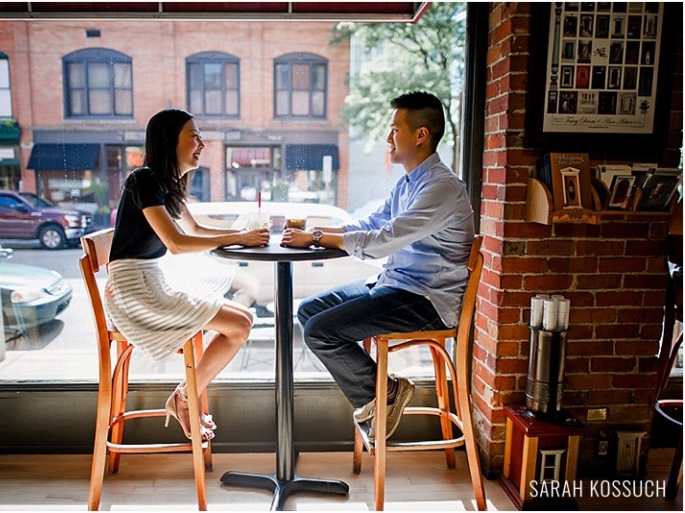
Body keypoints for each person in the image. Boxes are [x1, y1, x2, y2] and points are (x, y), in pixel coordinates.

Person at [281, 91, 475, 441]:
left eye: (394, 129)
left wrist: (313, 241)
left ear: (421, 135)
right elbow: (370, 224)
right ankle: (382, 393)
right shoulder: (408, 183)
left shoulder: (442, 188)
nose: (388, 139)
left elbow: (384, 239)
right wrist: (317, 232)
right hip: (398, 283)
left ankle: (383, 395)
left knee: (320, 332)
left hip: (427, 299)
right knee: (309, 311)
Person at [106, 108, 270, 440]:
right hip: (134, 290)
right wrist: (238, 238)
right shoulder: (144, 180)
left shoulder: (166, 185)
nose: (202, 143)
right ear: (169, 141)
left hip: (150, 280)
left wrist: (243, 227)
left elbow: (196, 228)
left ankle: (183, 394)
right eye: (193, 135)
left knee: (244, 320)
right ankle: (183, 397)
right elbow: (177, 243)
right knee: (239, 325)